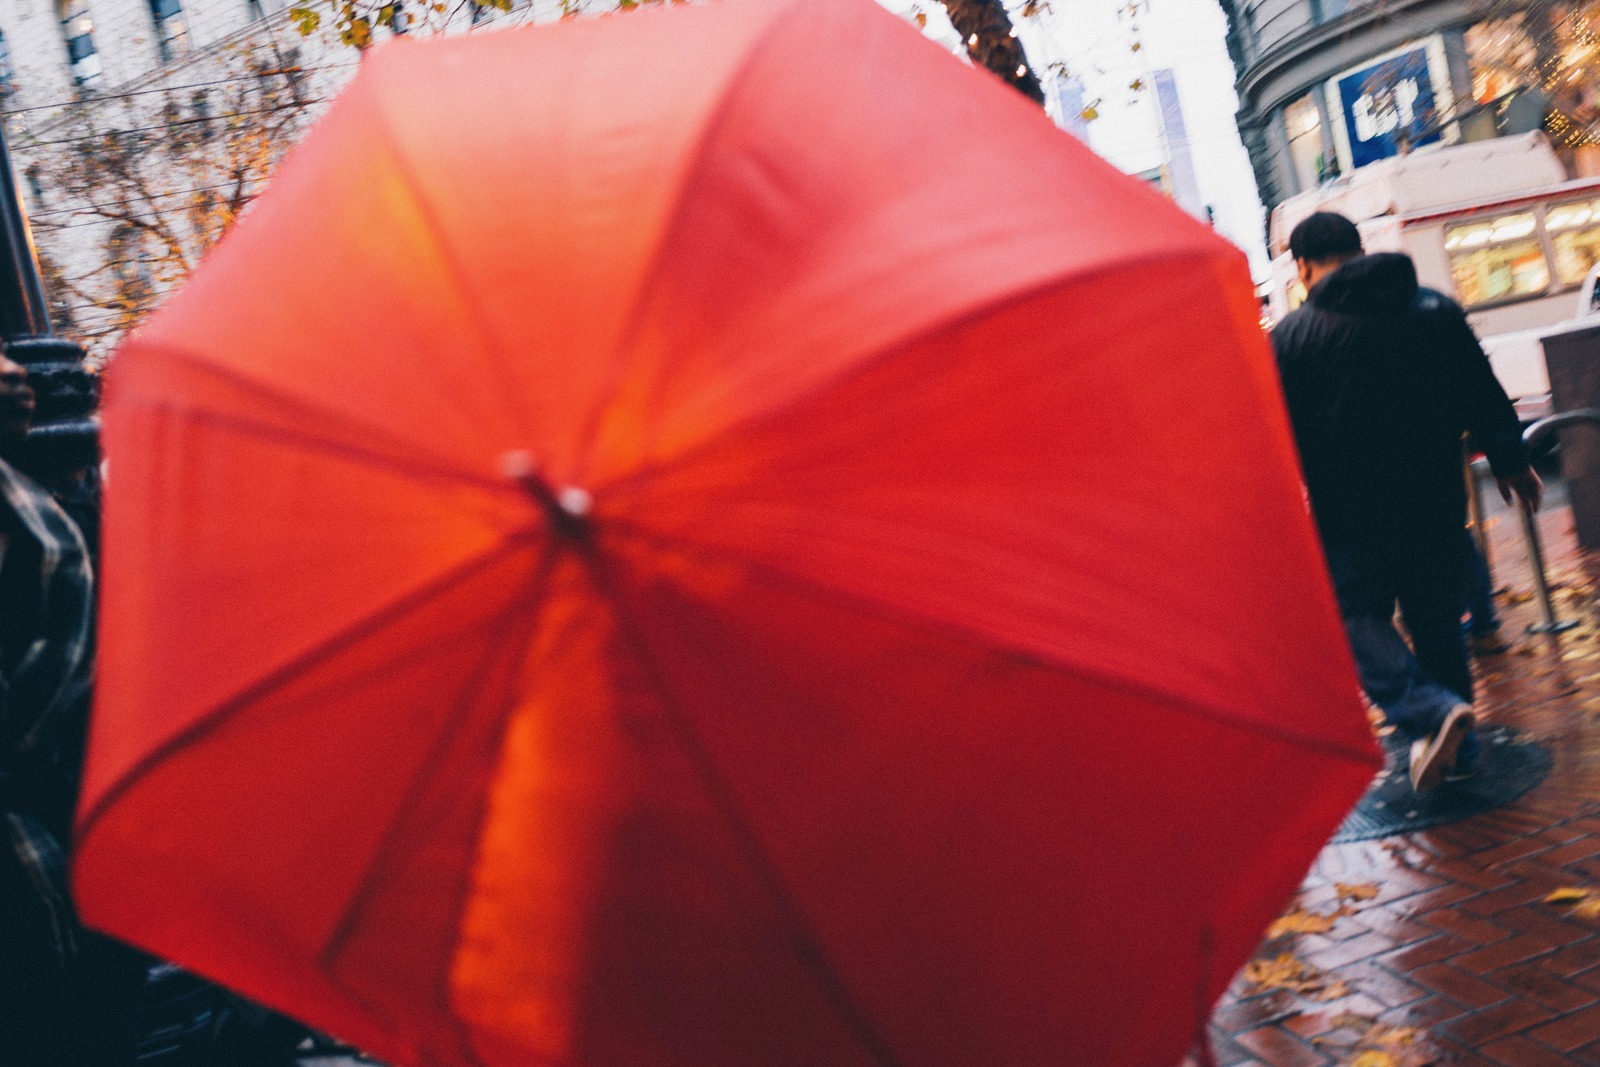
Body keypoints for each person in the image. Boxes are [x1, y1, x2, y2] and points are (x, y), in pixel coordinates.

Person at [1271, 212, 1542, 791]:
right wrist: (1511, 459)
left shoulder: (1293, 337)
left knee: (1353, 618)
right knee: (1437, 622)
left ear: (1302, 267)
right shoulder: (1434, 308)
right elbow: (1480, 386)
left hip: (1348, 516)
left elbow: (1275, 432)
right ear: (1361, 249)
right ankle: (1460, 751)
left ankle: (1430, 712)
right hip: (1434, 499)